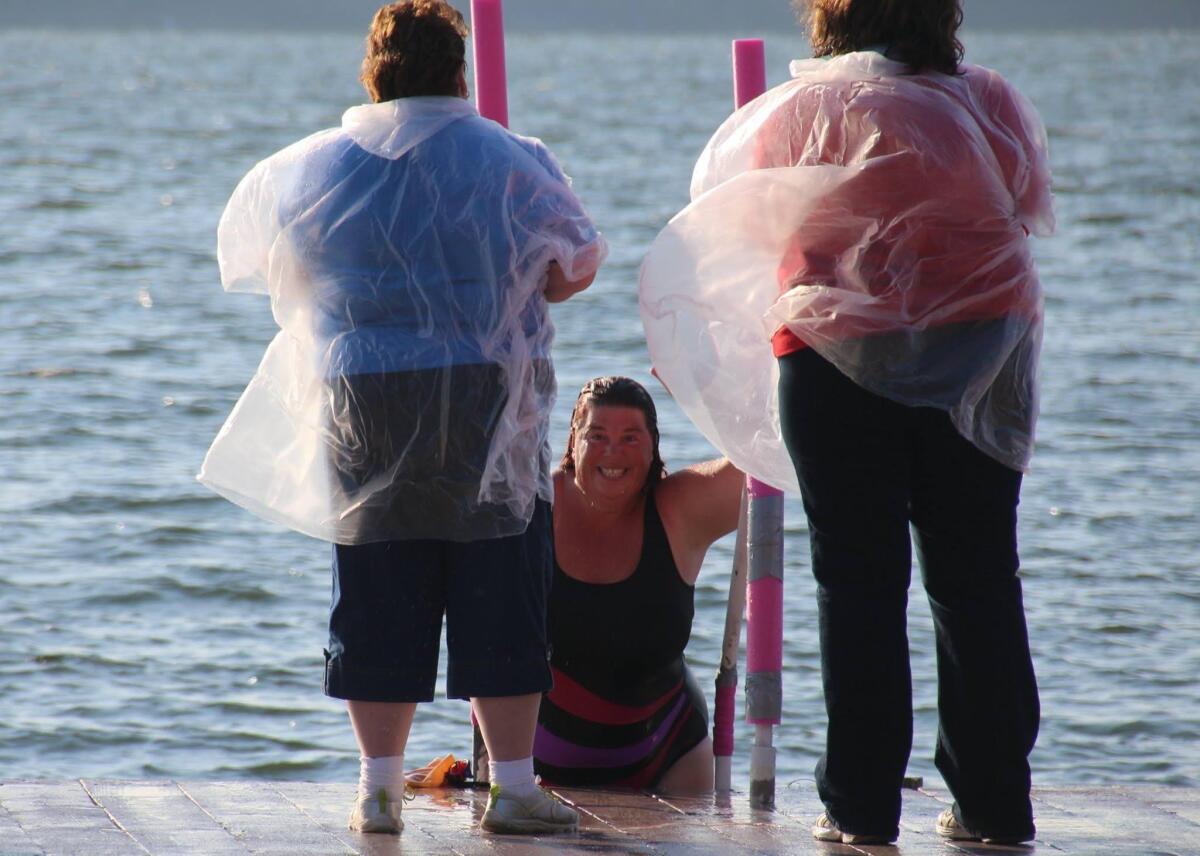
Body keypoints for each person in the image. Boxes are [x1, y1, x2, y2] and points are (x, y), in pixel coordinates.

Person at [643, 0, 1053, 845]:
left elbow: (753, 226)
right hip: (983, 347)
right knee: (977, 579)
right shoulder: (989, 101)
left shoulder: (801, 110)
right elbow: (1029, 205)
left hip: (832, 357)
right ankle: (995, 806)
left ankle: (862, 810)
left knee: (858, 584)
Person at [203, 0, 606, 836]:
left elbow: (273, 265)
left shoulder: (317, 166)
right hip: (484, 393)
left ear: (373, 73)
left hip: (365, 391)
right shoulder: (510, 157)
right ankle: (515, 787)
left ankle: (379, 789)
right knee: (500, 579)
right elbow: (574, 266)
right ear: (458, 70)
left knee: (379, 579)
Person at [533, 377, 744, 793]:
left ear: (654, 448)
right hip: (532, 764)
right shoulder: (533, 502)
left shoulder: (680, 511)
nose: (613, 451)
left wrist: (707, 387)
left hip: (667, 752)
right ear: (573, 440)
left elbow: (764, 462)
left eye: (631, 437)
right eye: (597, 436)